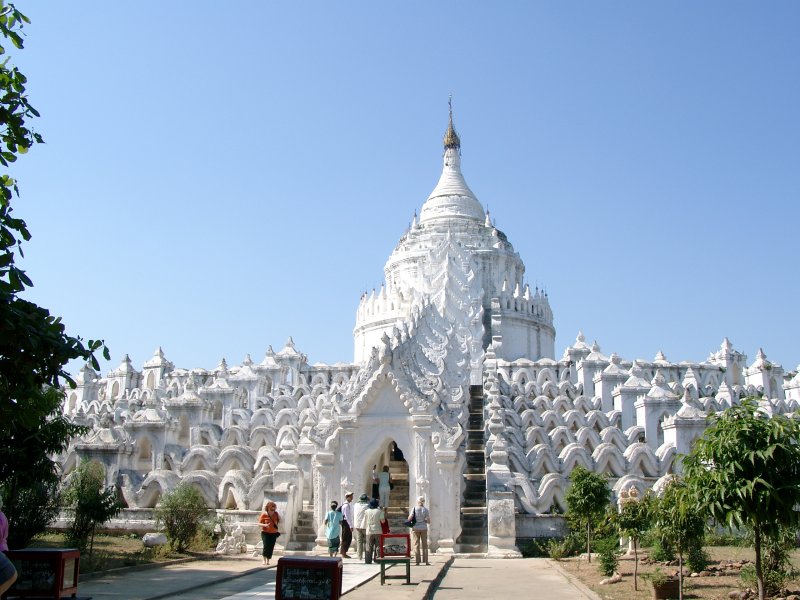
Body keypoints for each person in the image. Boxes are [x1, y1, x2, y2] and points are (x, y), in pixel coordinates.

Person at [257, 500, 281, 566]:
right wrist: (265, 525)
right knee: (266, 545)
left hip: (273, 533)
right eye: (271, 509)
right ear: (268, 508)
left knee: (271, 546)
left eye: (274, 509)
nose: (273, 510)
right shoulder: (264, 515)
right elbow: (259, 524)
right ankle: (264, 560)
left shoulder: (276, 514)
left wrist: (278, 518)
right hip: (265, 533)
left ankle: (268, 560)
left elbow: (279, 520)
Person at [409, 496, 431, 565]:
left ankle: (417, 561)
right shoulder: (426, 510)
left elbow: (410, 518)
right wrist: (424, 520)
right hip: (423, 528)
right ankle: (426, 561)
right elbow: (428, 521)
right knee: (425, 545)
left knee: (416, 545)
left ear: (417, 501)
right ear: (423, 502)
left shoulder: (414, 509)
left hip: (415, 528)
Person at [363, 498, 385, 564]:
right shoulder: (380, 511)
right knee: (378, 546)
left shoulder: (366, 511)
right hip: (378, 531)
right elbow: (383, 521)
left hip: (369, 531)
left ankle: (368, 561)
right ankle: (378, 559)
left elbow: (365, 520)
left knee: (369, 546)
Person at [353, 493, 369, 560]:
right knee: (367, 542)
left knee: (359, 542)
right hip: (365, 526)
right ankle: (367, 556)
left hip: (357, 526)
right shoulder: (368, 506)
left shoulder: (356, 505)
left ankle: (359, 557)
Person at [339, 492, 354, 558]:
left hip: (345, 522)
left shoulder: (346, 505)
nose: (352, 498)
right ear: (348, 497)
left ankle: (343, 551)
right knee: (346, 537)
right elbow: (347, 516)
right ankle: (343, 552)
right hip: (346, 523)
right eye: (351, 497)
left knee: (347, 537)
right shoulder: (346, 506)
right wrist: (351, 526)